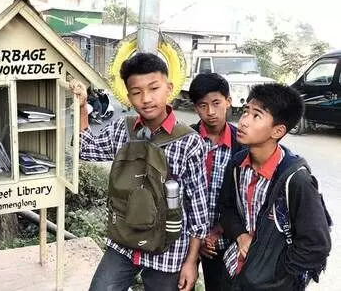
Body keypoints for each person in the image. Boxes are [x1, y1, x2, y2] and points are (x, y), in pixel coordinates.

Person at [70, 53, 209, 291]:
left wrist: (191, 262)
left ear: (169, 88)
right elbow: (85, 148)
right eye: (136, 92)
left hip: (169, 250)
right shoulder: (121, 129)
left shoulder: (190, 142)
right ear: (128, 95)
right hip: (124, 241)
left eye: (154, 88)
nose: (146, 99)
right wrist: (82, 106)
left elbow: (198, 210)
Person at [219, 84, 331, 290]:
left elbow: (317, 245)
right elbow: (226, 208)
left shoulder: (296, 180)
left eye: (256, 116)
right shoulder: (238, 164)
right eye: (246, 112)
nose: (243, 121)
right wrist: (240, 235)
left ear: (278, 130)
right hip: (236, 271)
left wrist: (277, 272)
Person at [188, 73, 244, 291]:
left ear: (228, 101)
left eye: (216, 103)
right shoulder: (186, 139)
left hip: (222, 240)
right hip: (187, 236)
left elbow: (244, 200)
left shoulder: (243, 145)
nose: (210, 112)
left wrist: (217, 231)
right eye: (203, 105)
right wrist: (197, 237)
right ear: (195, 107)